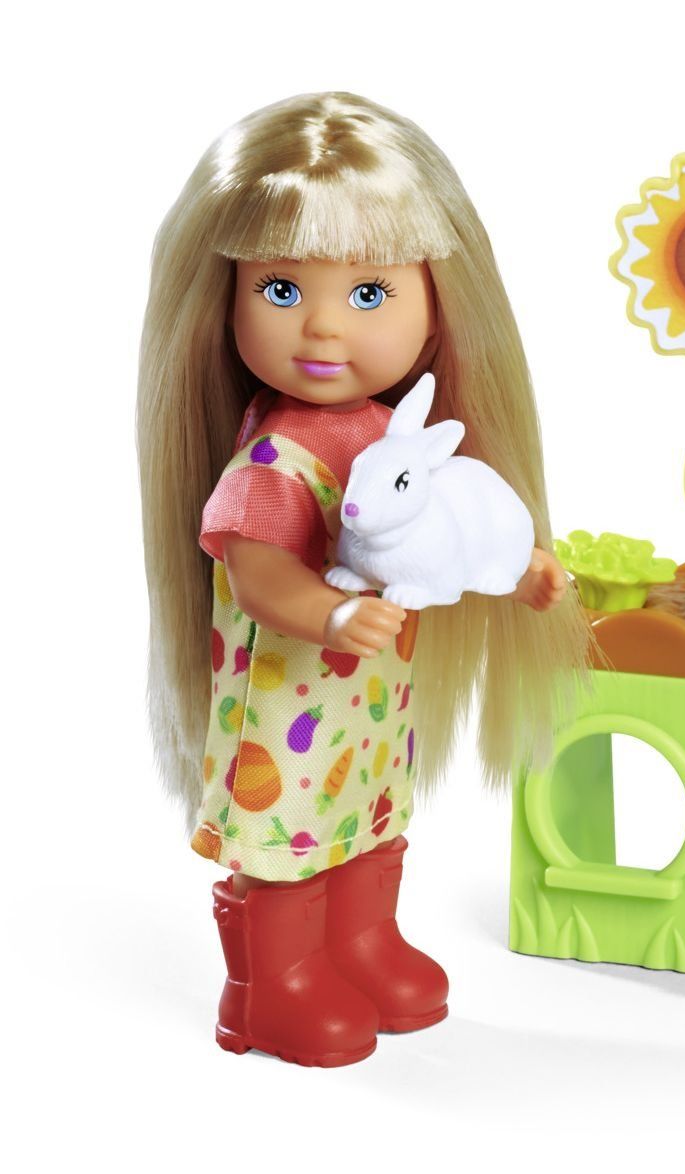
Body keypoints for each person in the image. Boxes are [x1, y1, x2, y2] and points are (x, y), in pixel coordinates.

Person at [137, 92, 588, 1067]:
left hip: (366, 713)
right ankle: (272, 986)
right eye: (281, 289)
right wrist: (330, 615)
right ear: (226, 298)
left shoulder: (394, 436)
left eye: (369, 294)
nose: (322, 329)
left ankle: (361, 943)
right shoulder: (272, 462)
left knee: (370, 818)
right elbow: (258, 574)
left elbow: (444, 534)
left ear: (438, 304)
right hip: (284, 710)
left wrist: (518, 571)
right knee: (290, 839)